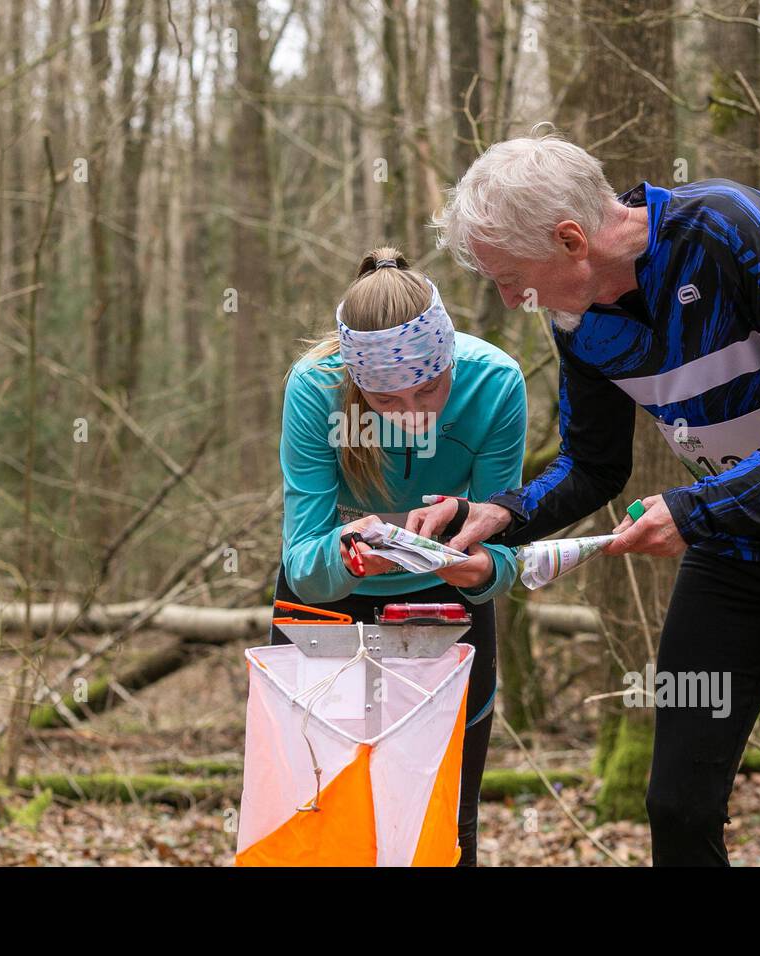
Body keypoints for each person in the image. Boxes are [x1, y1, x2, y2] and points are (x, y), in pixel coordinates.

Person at [408, 130, 760, 866]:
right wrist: (500, 514)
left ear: (569, 239)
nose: (508, 299)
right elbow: (593, 465)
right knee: (676, 805)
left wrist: (697, 510)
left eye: (510, 276)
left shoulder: (728, 228)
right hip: (738, 556)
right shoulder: (578, 318)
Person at [273, 245, 527, 865]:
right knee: (320, 826)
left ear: (449, 361)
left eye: (430, 389)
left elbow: (506, 551)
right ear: (357, 383)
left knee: (442, 828)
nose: (413, 416)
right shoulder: (315, 388)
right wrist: (350, 554)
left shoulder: (495, 383)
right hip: (334, 606)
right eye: (387, 402)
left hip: (443, 603)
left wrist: (480, 567)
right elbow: (304, 563)